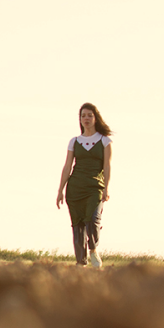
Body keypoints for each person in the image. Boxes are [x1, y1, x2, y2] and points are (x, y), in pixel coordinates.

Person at [56, 103, 113, 268]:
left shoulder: (105, 141)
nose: (86, 118)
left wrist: (107, 188)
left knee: (93, 220)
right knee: (78, 224)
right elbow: (67, 166)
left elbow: (107, 166)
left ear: (95, 118)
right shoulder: (74, 141)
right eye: (83, 116)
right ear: (80, 120)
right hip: (75, 187)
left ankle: (93, 249)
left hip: (95, 187)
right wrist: (60, 190)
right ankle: (80, 262)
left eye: (89, 115)